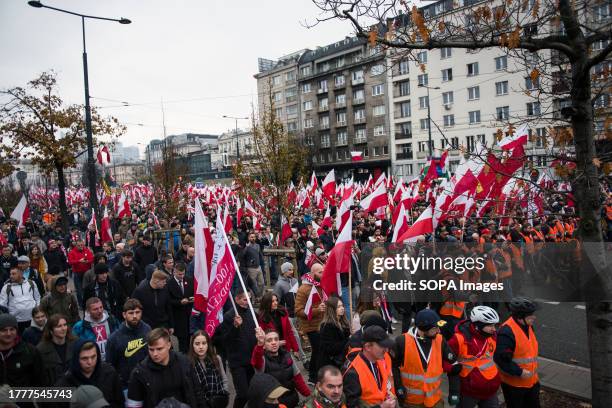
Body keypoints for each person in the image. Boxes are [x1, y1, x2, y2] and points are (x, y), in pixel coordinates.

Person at [393, 309, 460, 408]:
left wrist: (454, 391)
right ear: (423, 328)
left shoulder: (440, 340)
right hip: (411, 402)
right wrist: (398, 387)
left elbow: (455, 366)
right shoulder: (402, 341)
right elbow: (393, 367)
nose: (439, 331)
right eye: (435, 328)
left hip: (435, 400)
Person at [127, 328, 200, 408]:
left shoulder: (184, 362)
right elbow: (134, 405)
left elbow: (197, 392)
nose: (155, 354)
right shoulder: (139, 373)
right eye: (151, 349)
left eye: (159, 349)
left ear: (169, 345)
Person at [448, 306, 501, 408]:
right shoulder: (458, 339)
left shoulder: (493, 336)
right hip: (469, 393)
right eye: (490, 325)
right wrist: (454, 392)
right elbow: (449, 365)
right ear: (478, 326)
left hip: (490, 390)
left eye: (495, 325)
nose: (494, 329)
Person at [494, 297, 540, 408]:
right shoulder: (506, 332)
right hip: (515, 386)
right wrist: (519, 372)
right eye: (530, 315)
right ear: (520, 317)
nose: (534, 317)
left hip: (532, 382)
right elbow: (501, 359)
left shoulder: (528, 326)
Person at [217, 288, 258, 408]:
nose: (248, 301)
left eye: (250, 299)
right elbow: (225, 340)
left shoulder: (252, 313)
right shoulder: (229, 316)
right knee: (243, 394)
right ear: (237, 299)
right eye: (245, 299)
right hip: (237, 362)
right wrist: (235, 327)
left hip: (251, 360)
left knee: (252, 392)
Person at [252, 327, 311, 408]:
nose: (273, 342)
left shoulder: (287, 355)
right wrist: (259, 344)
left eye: (276, 339)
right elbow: (255, 361)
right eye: (269, 340)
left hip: (293, 400)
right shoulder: (262, 360)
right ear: (264, 346)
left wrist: (310, 396)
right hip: (276, 405)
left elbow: (298, 378)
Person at [56, 339, 124, 407]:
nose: (90, 362)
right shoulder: (64, 383)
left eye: (93, 357)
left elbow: (120, 402)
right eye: (84, 358)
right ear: (76, 359)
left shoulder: (110, 373)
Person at [343, 326, 397, 408]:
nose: (386, 350)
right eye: (382, 346)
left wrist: (388, 395)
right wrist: (382, 407)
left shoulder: (377, 361)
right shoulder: (353, 373)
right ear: (368, 347)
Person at [106, 298, 152, 392]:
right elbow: (110, 365)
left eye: (137, 312)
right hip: (127, 386)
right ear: (124, 315)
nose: (135, 316)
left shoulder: (147, 330)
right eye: (131, 313)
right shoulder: (114, 338)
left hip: (148, 381)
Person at [295, 263, 326, 384]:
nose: (323, 274)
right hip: (310, 326)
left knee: (320, 350)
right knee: (317, 350)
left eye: (323, 271)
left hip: (321, 324)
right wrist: (317, 310)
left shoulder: (321, 285)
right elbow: (298, 311)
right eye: (320, 272)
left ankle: (318, 374)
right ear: (313, 274)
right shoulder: (303, 289)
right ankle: (313, 377)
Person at [0, 313, 44, 386]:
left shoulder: (30, 351)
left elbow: (40, 380)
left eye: (12, 329)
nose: (8, 333)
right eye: (4, 330)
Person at [188, 330, 229, 408]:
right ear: (192, 345)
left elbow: (224, 379)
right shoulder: (189, 364)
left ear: (208, 344)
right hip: (200, 404)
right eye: (197, 344)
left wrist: (225, 394)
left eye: (204, 343)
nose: (201, 347)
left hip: (218, 402)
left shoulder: (216, 359)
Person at [72, 297, 121, 361]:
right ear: (88, 311)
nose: (100, 311)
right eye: (95, 309)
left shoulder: (112, 320)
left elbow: (120, 336)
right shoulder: (80, 326)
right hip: (91, 361)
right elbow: (74, 345)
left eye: (101, 307)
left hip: (111, 359)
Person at [37, 313, 77, 385]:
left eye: (65, 325)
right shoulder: (41, 349)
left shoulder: (75, 343)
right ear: (51, 330)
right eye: (59, 326)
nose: (63, 328)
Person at [0, 266, 41, 334]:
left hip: (32, 320)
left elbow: (37, 298)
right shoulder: (6, 287)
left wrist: (37, 312)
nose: (11, 276)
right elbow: (2, 305)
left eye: (13, 274)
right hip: (16, 322)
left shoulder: (31, 283)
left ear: (21, 274)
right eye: (10, 274)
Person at [167, 261, 194, 352]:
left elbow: (193, 293)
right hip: (178, 316)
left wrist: (192, 299)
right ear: (174, 272)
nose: (182, 276)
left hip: (189, 315)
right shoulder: (169, 283)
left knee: (191, 338)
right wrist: (179, 302)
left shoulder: (189, 280)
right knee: (182, 340)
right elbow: (168, 301)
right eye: (179, 274)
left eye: (183, 274)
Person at [318, 296, 351, 370]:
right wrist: (348, 340)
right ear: (332, 309)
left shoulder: (343, 322)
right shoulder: (326, 326)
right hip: (331, 365)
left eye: (342, 306)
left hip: (342, 360)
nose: (342, 308)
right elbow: (331, 349)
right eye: (339, 307)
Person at [68, 239, 95, 306]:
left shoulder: (87, 250)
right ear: (76, 245)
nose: (80, 246)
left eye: (82, 245)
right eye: (79, 245)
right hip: (77, 273)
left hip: (87, 273)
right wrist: (79, 261)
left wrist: (87, 261)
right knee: (79, 290)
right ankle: (81, 304)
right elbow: (70, 262)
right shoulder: (72, 252)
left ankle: (90, 303)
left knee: (89, 289)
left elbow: (92, 259)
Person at [245, 232, 265, 297]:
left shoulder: (258, 245)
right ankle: (253, 299)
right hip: (251, 268)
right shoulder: (246, 247)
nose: (253, 238)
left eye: (254, 237)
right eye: (251, 237)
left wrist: (262, 264)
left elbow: (260, 255)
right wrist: (246, 248)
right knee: (253, 285)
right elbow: (243, 255)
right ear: (249, 238)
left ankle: (259, 297)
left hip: (258, 267)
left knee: (261, 283)